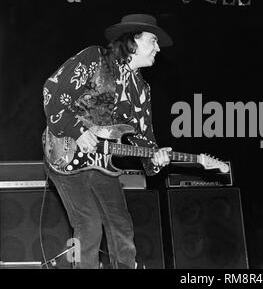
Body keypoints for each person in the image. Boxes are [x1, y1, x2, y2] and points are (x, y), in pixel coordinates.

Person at [42, 14, 173, 268]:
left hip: (102, 162)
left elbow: (143, 138)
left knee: (121, 225)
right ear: (132, 41)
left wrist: (155, 158)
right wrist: (78, 131)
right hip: (65, 150)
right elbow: (52, 92)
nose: (158, 48)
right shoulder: (95, 58)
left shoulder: (141, 90)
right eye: (153, 40)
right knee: (89, 224)